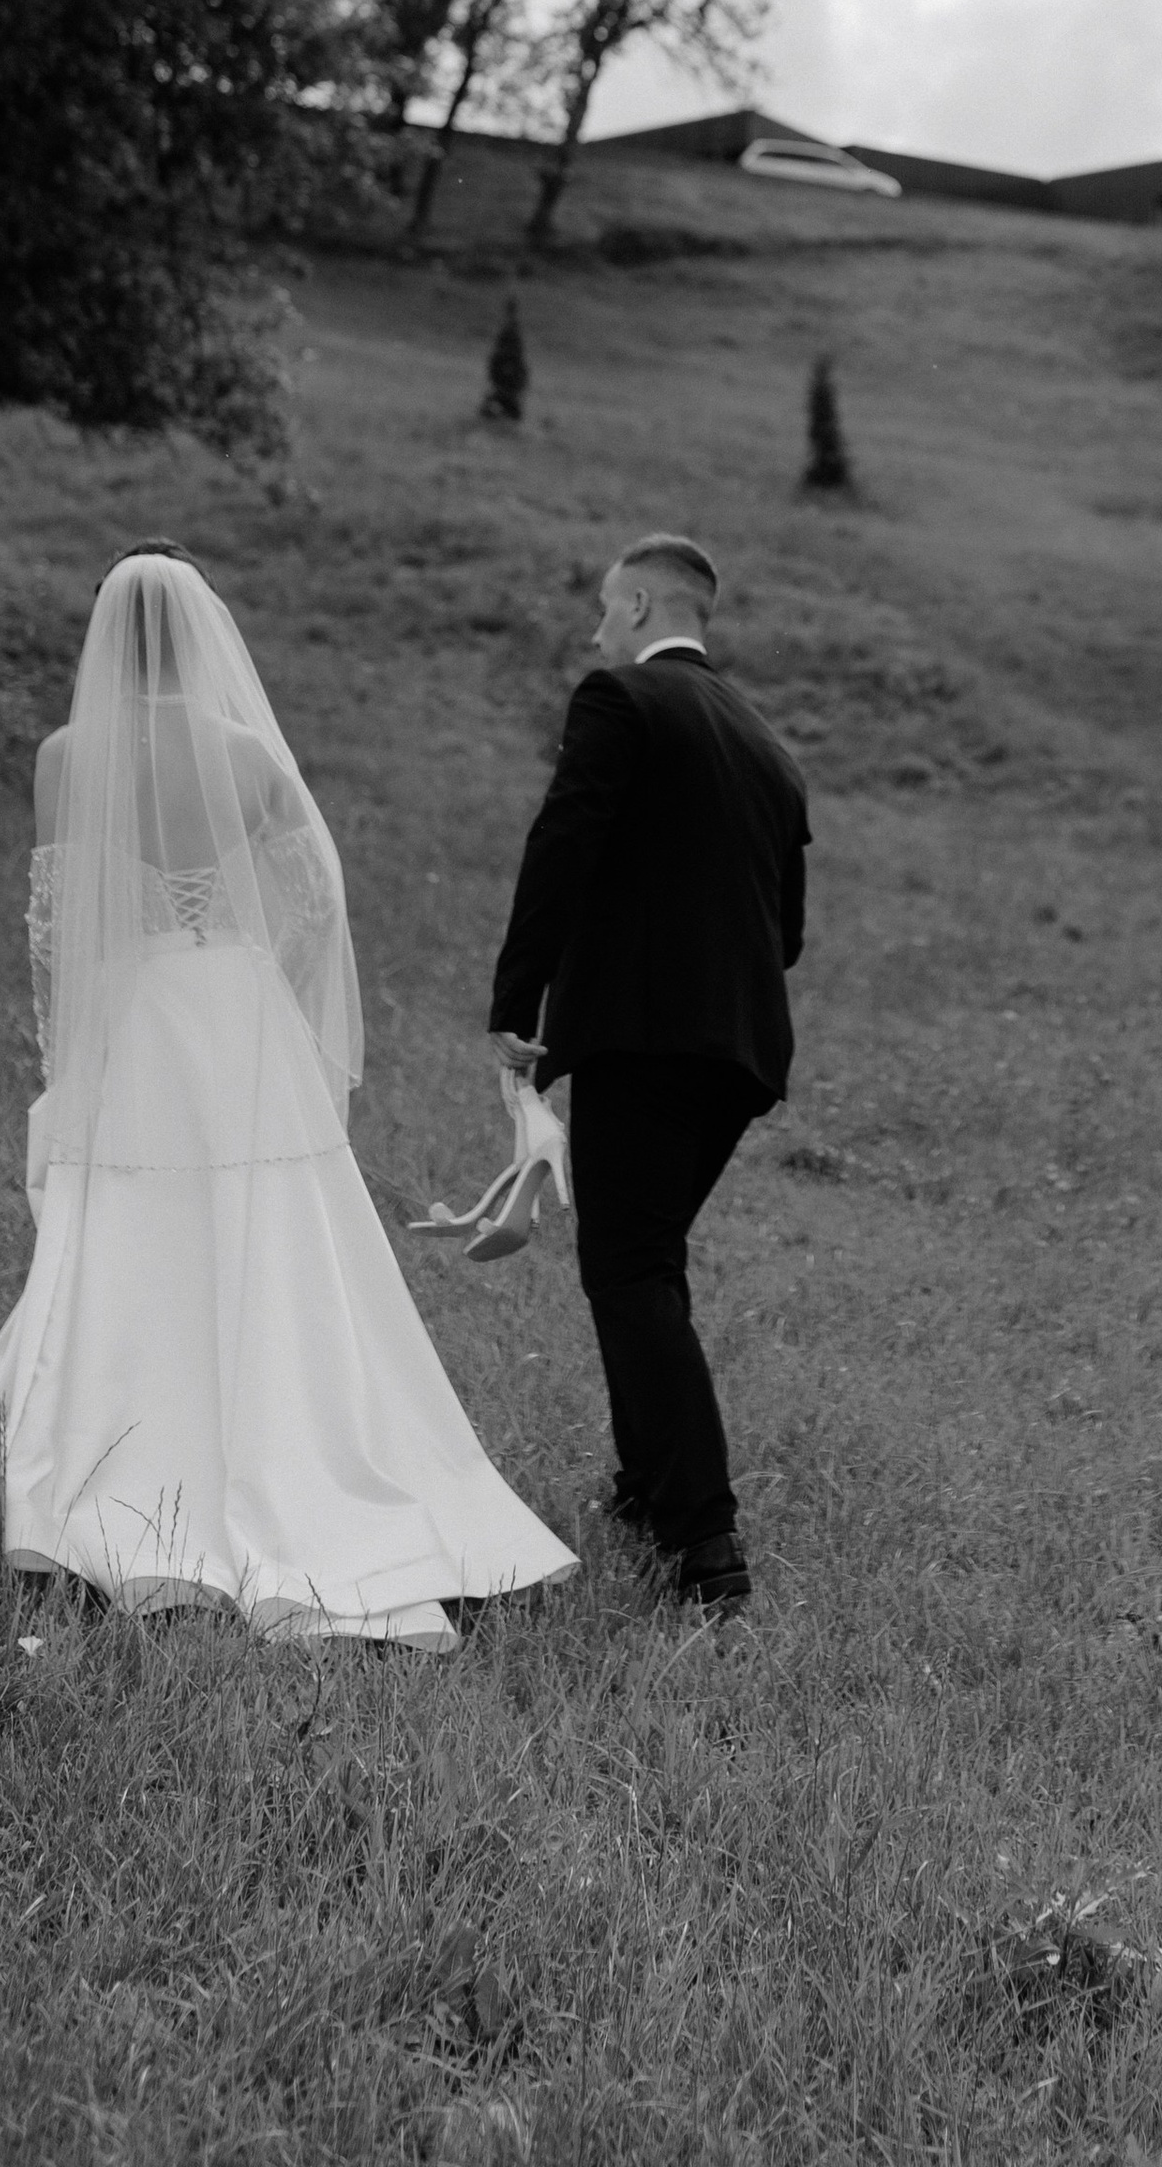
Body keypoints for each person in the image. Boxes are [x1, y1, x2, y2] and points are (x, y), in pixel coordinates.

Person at [0, 544, 574, 1649]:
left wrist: (72, 1059)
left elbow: (57, 929)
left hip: (137, 1018)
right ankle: (303, 1445)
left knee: (133, 1230)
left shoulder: (63, 756)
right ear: (204, 637)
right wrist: (261, 979)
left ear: (107, 636)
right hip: (235, 1015)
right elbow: (317, 898)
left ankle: (116, 1450)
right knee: (270, 1235)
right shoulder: (243, 753)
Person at [488, 533, 809, 1616]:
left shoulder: (620, 701)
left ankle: (706, 1546)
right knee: (643, 1261)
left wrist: (515, 1006)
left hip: (646, 1037)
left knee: (627, 1270)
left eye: (600, 608)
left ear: (634, 605)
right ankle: (643, 1490)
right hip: (743, 1052)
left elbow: (563, 843)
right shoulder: (769, 746)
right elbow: (789, 934)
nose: (593, 630)